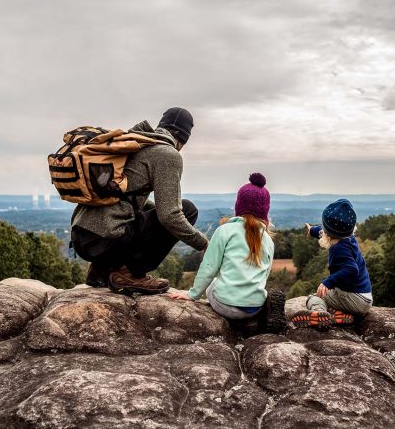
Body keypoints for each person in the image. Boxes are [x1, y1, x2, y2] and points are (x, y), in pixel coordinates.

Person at [70, 107, 209, 294]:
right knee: (187, 209)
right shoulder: (168, 154)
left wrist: (155, 208)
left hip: (82, 236)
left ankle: (102, 270)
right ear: (183, 139)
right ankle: (131, 274)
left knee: (132, 214)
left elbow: (128, 199)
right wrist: (205, 244)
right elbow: (170, 216)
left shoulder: (135, 142)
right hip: (106, 240)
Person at [168, 173, 287, 334]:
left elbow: (209, 267)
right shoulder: (267, 239)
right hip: (254, 307)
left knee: (213, 283)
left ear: (239, 206)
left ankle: (236, 321)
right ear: (265, 211)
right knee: (259, 291)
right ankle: (257, 317)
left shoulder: (225, 231)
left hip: (225, 306)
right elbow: (264, 275)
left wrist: (192, 294)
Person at [291, 199, 373, 328]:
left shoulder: (339, 249)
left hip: (355, 299)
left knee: (316, 297)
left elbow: (352, 269)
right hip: (363, 297)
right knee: (332, 296)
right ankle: (338, 314)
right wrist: (312, 230)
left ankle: (319, 314)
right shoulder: (348, 238)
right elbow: (326, 233)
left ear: (328, 231)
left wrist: (328, 282)